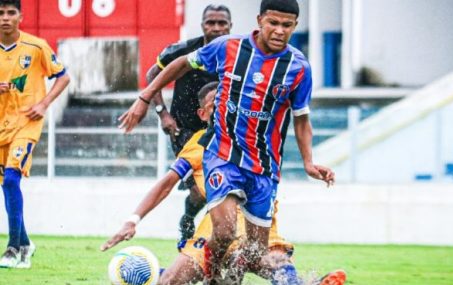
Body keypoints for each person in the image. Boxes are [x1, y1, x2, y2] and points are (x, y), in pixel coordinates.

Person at [118, 0, 335, 282]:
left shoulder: (298, 68)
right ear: (259, 20)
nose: (279, 30)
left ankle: (224, 276)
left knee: (256, 253)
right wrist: (145, 99)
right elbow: (180, 63)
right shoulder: (227, 49)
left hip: (263, 169)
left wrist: (308, 162)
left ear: (295, 26)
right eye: (273, 23)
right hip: (223, 157)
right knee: (223, 231)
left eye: (287, 25)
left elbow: (302, 118)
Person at [102, 83, 346, 285]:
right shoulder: (199, 144)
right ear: (203, 114)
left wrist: (309, 163)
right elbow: (167, 183)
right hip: (216, 226)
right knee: (171, 281)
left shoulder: (256, 137)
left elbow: (297, 116)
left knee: (277, 264)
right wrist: (132, 220)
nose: (222, 108)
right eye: (214, 104)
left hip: (257, 222)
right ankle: (148, 274)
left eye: (227, 102)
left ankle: (299, 283)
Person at [146, 4, 232, 242]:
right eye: (211, 23)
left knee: (214, 190)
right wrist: (163, 113)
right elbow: (152, 74)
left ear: (230, 26)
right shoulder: (183, 51)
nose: (216, 28)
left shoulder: (237, 55)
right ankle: (191, 226)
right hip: (184, 132)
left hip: (223, 134)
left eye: (221, 23)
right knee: (201, 189)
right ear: (203, 25)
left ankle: (200, 231)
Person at [0, 0, 70, 269]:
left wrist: (43, 104)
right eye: (0, 13)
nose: (5, 18)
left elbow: (62, 77)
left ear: (20, 16)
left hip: (26, 123)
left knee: (10, 178)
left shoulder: (36, 46)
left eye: (10, 13)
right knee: (9, 187)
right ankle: (26, 243)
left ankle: (13, 249)